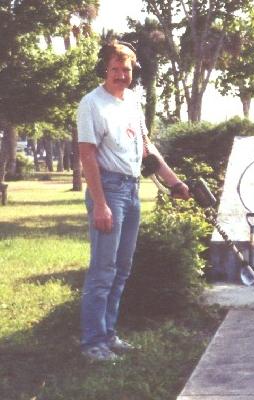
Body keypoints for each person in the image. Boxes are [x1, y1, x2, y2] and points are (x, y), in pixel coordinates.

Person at [77, 40, 190, 362]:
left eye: (125, 69)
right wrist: (100, 204)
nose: (120, 75)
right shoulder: (91, 103)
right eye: (114, 69)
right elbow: (87, 155)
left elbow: (147, 149)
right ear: (105, 69)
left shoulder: (132, 102)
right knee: (103, 269)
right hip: (108, 189)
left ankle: (108, 334)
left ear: (132, 71)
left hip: (131, 188)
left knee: (122, 268)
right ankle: (91, 343)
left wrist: (174, 182)